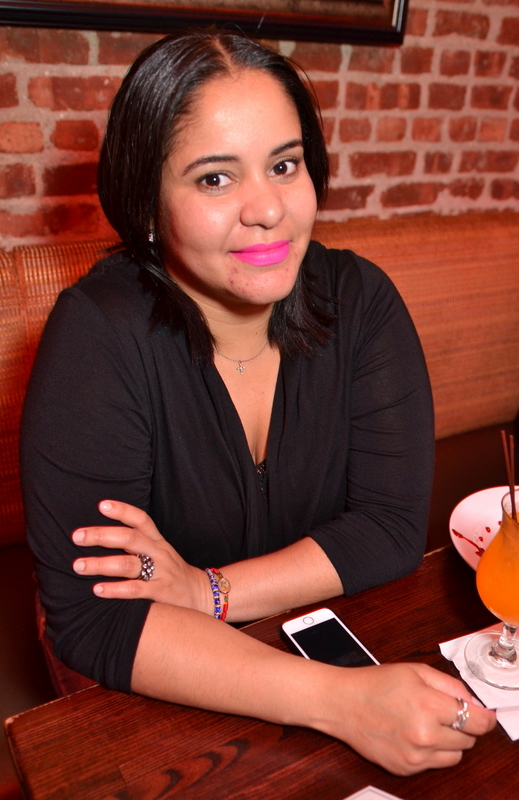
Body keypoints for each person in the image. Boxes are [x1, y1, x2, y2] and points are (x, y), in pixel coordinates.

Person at [21, 29, 495, 776]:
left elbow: (388, 529)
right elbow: (97, 619)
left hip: (314, 635)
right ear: (148, 205)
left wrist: (206, 591)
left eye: (283, 165)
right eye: (215, 178)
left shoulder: (360, 301)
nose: (268, 209)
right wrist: (341, 701)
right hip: (158, 690)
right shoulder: (97, 336)